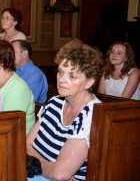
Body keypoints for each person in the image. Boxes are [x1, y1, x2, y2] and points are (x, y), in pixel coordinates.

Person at [26, 39, 104, 181]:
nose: (61, 79)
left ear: (89, 82)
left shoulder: (91, 115)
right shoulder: (54, 103)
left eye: (72, 76)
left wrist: (35, 163)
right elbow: (27, 144)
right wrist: (49, 167)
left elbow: (60, 174)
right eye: (61, 72)